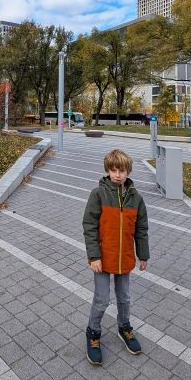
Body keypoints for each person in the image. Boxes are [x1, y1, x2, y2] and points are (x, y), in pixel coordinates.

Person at [82, 149, 149, 365]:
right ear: (107, 170)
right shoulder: (98, 194)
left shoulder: (136, 198)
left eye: (121, 170)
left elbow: (141, 229)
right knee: (102, 299)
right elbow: (89, 226)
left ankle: (124, 328)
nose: (117, 174)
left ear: (128, 171)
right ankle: (93, 332)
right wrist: (94, 256)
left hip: (125, 257)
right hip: (102, 258)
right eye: (113, 170)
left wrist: (143, 255)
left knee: (125, 298)